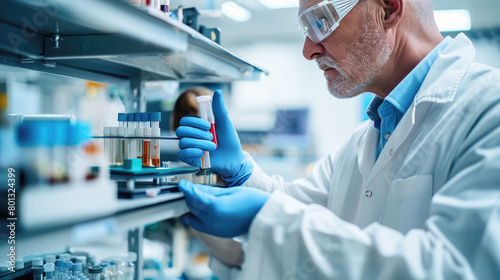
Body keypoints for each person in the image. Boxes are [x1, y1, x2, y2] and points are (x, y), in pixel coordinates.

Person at [175, 0, 500, 279]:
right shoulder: (366, 138)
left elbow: (456, 269)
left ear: (388, 9)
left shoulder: (489, 110)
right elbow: (294, 205)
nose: (308, 50)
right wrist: (243, 173)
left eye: (321, 21)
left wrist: (267, 219)